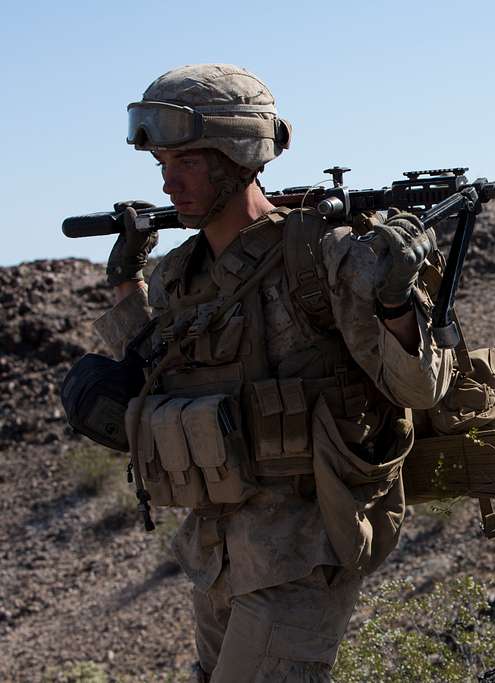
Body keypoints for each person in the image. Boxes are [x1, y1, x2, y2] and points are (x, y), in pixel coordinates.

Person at [94, 64, 453, 682]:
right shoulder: (181, 271)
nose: (169, 180)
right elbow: (161, 374)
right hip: (218, 550)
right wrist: (126, 284)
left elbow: (418, 387)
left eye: (187, 161)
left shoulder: (321, 256)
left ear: (237, 157)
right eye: (161, 164)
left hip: (302, 547)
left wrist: (394, 301)